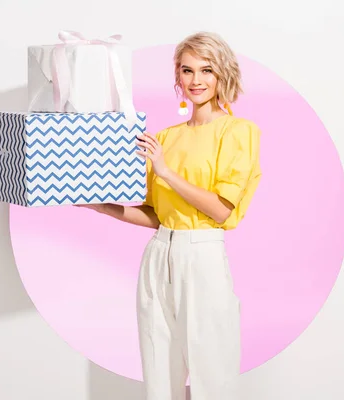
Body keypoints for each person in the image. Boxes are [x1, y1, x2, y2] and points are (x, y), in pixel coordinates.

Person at [77, 31, 262, 400]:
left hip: (202, 253)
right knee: (159, 362)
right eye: (187, 70)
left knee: (212, 364)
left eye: (206, 70)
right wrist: (101, 206)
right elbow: (158, 216)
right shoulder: (166, 137)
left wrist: (165, 171)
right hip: (159, 253)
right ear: (177, 76)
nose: (196, 80)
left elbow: (221, 209)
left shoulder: (238, 132)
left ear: (222, 74)